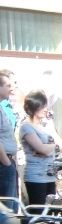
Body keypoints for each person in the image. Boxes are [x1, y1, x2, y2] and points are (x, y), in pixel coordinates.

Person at [19, 90, 62, 205]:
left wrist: (51, 145)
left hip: (50, 175)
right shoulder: (26, 127)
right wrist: (53, 147)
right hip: (36, 176)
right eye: (43, 106)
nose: (46, 109)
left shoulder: (46, 126)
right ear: (34, 107)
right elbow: (41, 149)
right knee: (38, 210)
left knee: (51, 210)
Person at [0, 69, 19, 205]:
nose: (11, 89)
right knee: (7, 209)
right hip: (3, 164)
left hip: (7, 162)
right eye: (8, 86)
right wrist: (6, 162)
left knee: (12, 207)